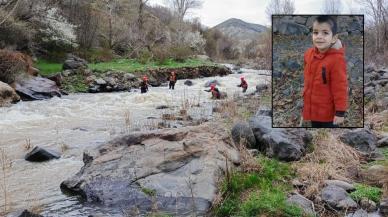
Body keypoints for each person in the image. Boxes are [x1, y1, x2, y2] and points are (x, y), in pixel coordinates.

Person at [302, 15, 348, 128]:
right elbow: (308, 79)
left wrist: (340, 112)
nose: (319, 37)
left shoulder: (336, 60)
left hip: (328, 115)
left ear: (334, 38)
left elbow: (340, 87)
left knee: (328, 137)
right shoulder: (309, 54)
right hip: (313, 110)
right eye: (315, 32)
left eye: (325, 33)